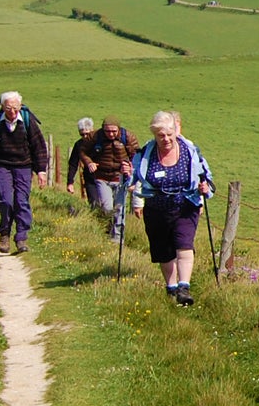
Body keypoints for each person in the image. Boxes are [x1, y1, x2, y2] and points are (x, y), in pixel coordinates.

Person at [130, 110, 214, 306]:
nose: (166, 139)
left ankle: (184, 287)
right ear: (154, 135)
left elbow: (206, 176)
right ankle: (171, 287)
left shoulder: (190, 151)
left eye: (169, 134)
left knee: (184, 244)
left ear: (176, 131)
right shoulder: (145, 155)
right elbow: (130, 179)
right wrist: (126, 175)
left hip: (185, 205)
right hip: (156, 209)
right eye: (161, 135)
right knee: (163, 251)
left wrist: (205, 187)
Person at [0, 91, 49, 255]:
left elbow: (39, 147)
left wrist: (41, 171)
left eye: (15, 108)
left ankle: (21, 237)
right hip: (3, 165)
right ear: (2, 107)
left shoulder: (27, 121)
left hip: (24, 166)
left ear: (20, 107)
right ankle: (5, 232)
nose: (12, 111)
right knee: (5, 201)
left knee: (21, 201)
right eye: (9, 108)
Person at [81, 117, 135, 235]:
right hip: (102, 177)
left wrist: (130, 168)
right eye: (107, 131)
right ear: (102, 129)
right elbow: (83, 151)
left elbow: (136, 155)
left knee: (119, 208)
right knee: (107, 208)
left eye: (114, 131)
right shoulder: (95, 137)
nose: (110, 134)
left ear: (119, 129)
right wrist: (89, 162)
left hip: (120, 177)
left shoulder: (128, 137)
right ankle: (107, 229)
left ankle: (117, 237)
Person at [65, 118, 96, 200]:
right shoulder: (79, 145)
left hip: (104, 177)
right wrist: (70, 182)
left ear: (92, 130)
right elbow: (73, 164)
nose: (85, 136)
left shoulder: (100, 142)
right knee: (94, 203)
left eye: (87, 133)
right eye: (82, 134)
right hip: (89, 179)